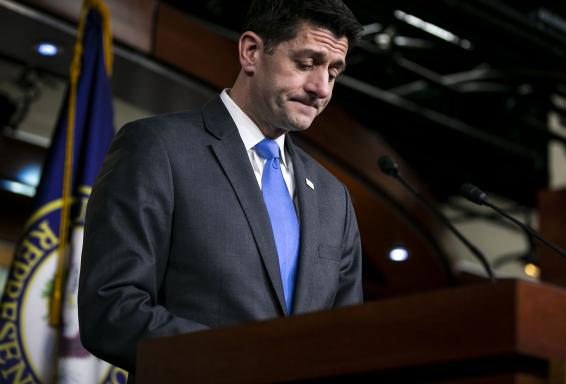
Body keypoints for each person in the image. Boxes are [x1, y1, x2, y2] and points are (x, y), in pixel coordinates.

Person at [78, 0, 364, 376]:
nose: (320, 88)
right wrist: (245, 361)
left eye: (333, 71)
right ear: (251, 52)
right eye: (306, 63)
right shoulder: (158, 147)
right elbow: (112, 309)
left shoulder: (334, 198)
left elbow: (350, 340)